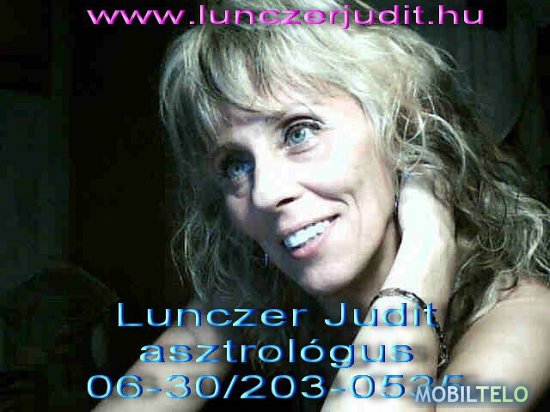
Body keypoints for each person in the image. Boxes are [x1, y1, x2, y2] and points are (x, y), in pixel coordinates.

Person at [94, 0, 550, 410]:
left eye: (299, 132)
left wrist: (426, 252)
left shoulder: (526, 318)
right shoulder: (250, 295)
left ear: (402, 129)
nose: (265, 194)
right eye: (235, 164)